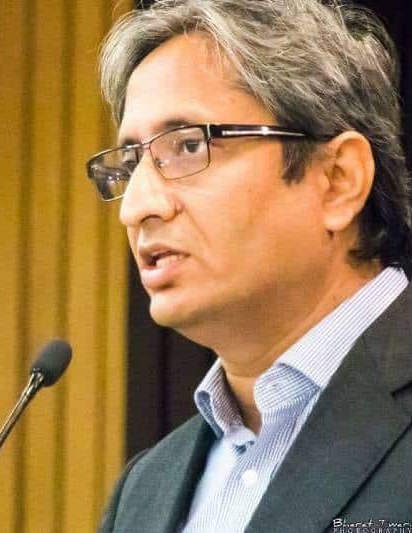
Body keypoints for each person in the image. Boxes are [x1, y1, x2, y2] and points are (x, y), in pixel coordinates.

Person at [85, 1, 412, 531]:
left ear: (337, 181)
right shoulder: (143, 493)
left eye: (188, 146)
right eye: (131, 164)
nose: (136, 207)